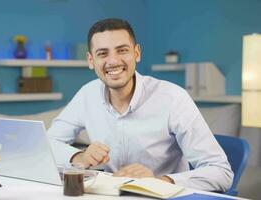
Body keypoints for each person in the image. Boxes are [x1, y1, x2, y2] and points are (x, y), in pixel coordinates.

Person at [47, 18, 233, 192]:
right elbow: (49, 143)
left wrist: (159, 182)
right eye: (102, 53)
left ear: (136, 53)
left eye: (122, 50)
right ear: (90, 60)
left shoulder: (173, 98)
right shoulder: (87, 93)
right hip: (109, 194)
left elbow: (221, 171)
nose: (113, 61)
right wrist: (79, 157)